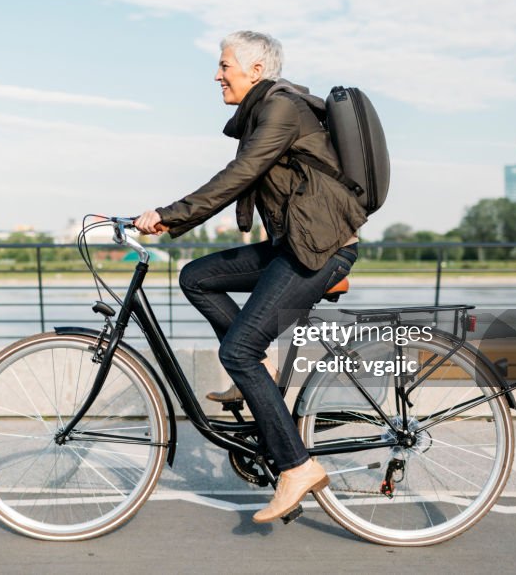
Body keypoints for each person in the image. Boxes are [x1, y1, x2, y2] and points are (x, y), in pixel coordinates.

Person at [134, 31, 368, 524]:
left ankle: (297, 467)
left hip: (319, 251)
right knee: (197, 276)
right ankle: (252, 376)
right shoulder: (266, 110)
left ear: (255, 71)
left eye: (224, 65)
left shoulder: (280, 109)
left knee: (235, 350)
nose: (217, 75)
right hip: (295, 244)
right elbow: (244, 175)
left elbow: (240, 174)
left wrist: (170, 216)